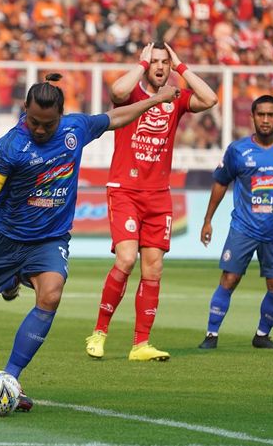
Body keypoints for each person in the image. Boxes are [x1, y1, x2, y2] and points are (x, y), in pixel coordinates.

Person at [0, 73, 179, 412]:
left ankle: (11, 377)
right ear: (24, 110)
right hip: (8, 238)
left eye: (47, 124)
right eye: (34, 121)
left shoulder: (75, 129)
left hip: (51, 238)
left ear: (61, 115)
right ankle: (13, 278)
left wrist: (156, 100)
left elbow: (115, 117)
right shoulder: (9, 147)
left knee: (52, 294)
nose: (40, 129)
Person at [85, 42, 218, 362]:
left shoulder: (176, 98)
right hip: (125, 189)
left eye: (164, 62)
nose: (160, 67)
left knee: (154, 269)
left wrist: (182, 65)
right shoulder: (133, 95)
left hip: (159, 195)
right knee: (126, 259)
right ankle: (99, 332)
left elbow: (210, 99)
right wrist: (141, 65)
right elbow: (117, 92)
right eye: (154, 62)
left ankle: (140, 344)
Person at [197, 95, 273, 350]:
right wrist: (207, 220)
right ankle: (211, 335)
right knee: (230, 279)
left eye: (271, 115)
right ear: (253, 117)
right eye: (261, 115)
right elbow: (220, 183)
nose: (266, 120)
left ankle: (262, 335)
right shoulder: (238, 150)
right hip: (243, 228)